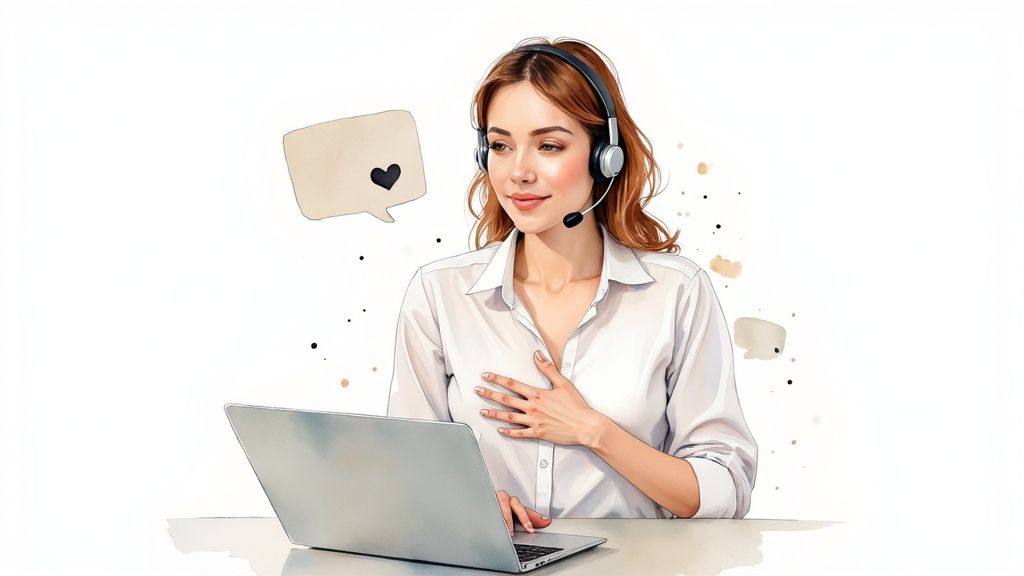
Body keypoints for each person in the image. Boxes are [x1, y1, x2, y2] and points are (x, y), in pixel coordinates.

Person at [386, 37, 757, 536]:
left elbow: (724, 490)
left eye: (549, 146)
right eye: (500, 146)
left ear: (606, 156)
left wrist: (593, 430)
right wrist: (465, 501)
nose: (518, 171)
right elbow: (403, 473)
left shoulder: (676, 293)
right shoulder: (440, 295)